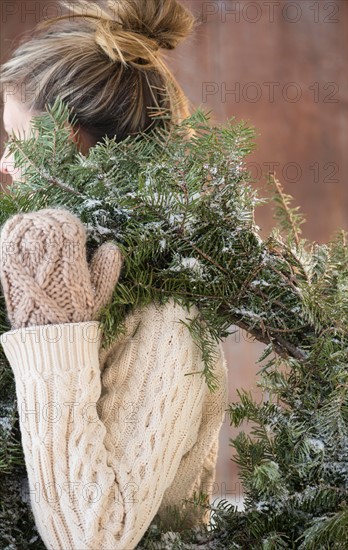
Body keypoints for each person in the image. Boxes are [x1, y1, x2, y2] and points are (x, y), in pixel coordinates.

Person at [0, 1, 229, 549]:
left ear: (77, 148)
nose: (4, 165)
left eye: (16, 141)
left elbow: (93, 538)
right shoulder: (33, 258)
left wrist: (50, 332)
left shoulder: (168, 318)